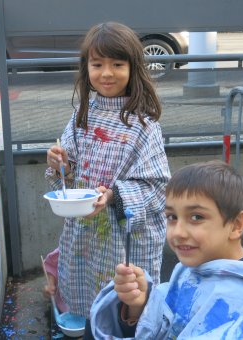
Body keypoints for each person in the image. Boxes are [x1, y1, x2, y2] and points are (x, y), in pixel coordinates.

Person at [44, 21, 171, 338]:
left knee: (127, 303)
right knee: (86, 298)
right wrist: (61, 164)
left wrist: (114, 195)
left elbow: (158, 188)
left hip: (127, 237)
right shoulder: (80, 117)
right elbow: (67, 175)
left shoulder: (144, 123)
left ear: (133, 68)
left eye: (117, 64)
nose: (106, 73)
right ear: (86, 67)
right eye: (97, 64)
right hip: (86, 233)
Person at [90, 160, 243, 339]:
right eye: (172, 217)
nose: (178, 232)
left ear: (236, 225)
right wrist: (140, 305)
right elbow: (169, 325)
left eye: (196, 217)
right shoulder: (191, 268)